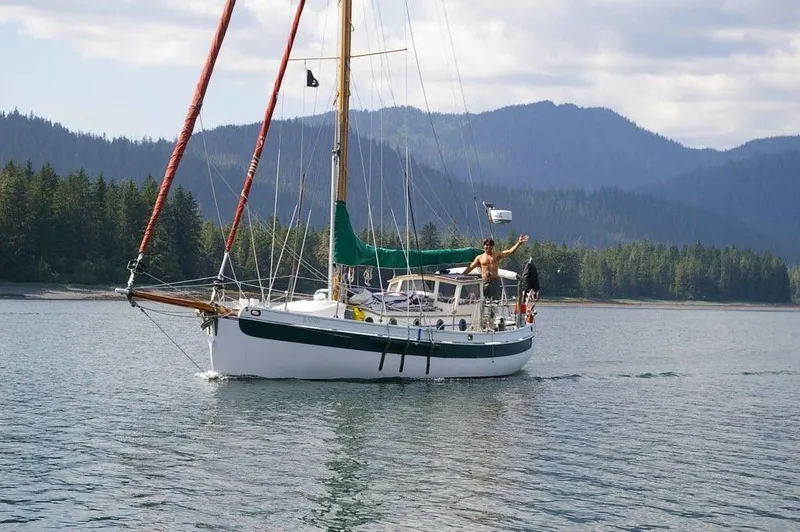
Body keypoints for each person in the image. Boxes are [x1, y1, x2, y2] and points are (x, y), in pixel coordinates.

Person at [463, 234, 530, 301]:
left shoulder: (496, 255)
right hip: (484, 282)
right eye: (486, 245)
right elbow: (470, 267)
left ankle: (493, 311)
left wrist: (519, 243)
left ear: (492, 246)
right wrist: (462, 275)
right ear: (484, 246)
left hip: (494, 281)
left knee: (494, 302)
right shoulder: (479, 258)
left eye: (490, 245)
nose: (488, 246)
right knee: (481, 301)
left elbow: (510, 251)